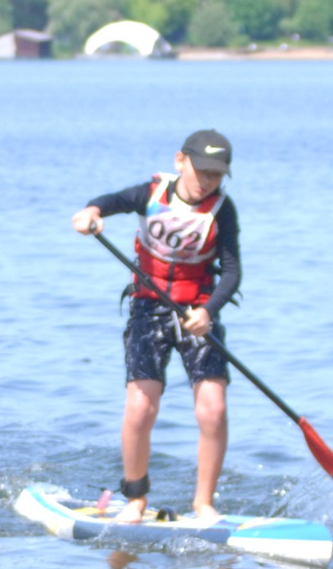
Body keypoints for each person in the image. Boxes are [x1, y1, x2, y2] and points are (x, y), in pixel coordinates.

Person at [71, 128, 241, 524]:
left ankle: (204, 504)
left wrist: (209, 311)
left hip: (198, 312)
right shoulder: (152, 193)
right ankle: (135, 498)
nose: (206, 181)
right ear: (180, 161)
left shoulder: (222, 209)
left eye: (216, 175)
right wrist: (91, 213)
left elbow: (232, 272)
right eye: (201, 170)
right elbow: (110, 202)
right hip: (149, 310)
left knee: (213, 410)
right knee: (141, 407)